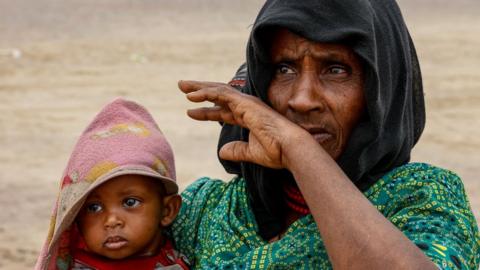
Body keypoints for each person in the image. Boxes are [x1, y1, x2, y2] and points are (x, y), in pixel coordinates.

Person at [173, 0, 480, 269]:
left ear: (381, 90)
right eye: (284, 69)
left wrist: (298, 148)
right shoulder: (207, 210)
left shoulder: (424, 199)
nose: (302, 99)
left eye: (335, 69)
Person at [35, 98, 189, 270]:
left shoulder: (185, 261)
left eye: (130, 202)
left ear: (167, 210)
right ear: (76, 218)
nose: (112, 221)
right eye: (94, 207)